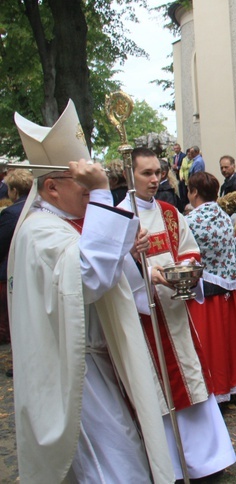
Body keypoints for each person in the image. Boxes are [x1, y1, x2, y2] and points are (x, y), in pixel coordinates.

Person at [11, 101, 173, 482]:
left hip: (91, 364)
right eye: (82, 188)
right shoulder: (39, 232)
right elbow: (85, 281)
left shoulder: (61, 224)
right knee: (114, 463)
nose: (89, 195)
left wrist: (125, 253)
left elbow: (95, 277)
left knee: (120, 450)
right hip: (70, 371)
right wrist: (103, 193)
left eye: (91, 189)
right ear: (51, 187)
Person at [119, 148, 236, 480]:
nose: (155, 179)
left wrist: (184, 269)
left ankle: (207, 459)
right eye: (146, 173)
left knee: (192, 382)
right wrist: (137, 264)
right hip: (142, 319)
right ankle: (168, 463)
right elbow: (109, 272)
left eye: (158, 172)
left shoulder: (170, 213)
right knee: (157, 391)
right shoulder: (119, 216)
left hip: (174, 314)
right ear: (130, 174)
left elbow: (189, 250)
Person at [185, 171, 236, 403]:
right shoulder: (224, 216)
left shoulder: (191, 220)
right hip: (227, 286)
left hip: (205, 288)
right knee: (227, 343)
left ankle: (214, 388)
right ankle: (232, 383)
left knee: (210, 345)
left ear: (194, 192)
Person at [0, 169, 32, 348]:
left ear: (14, 190)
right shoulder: (36, 207)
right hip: (27, 269)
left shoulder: (11, 213)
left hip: (10, 271)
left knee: (12, 321)